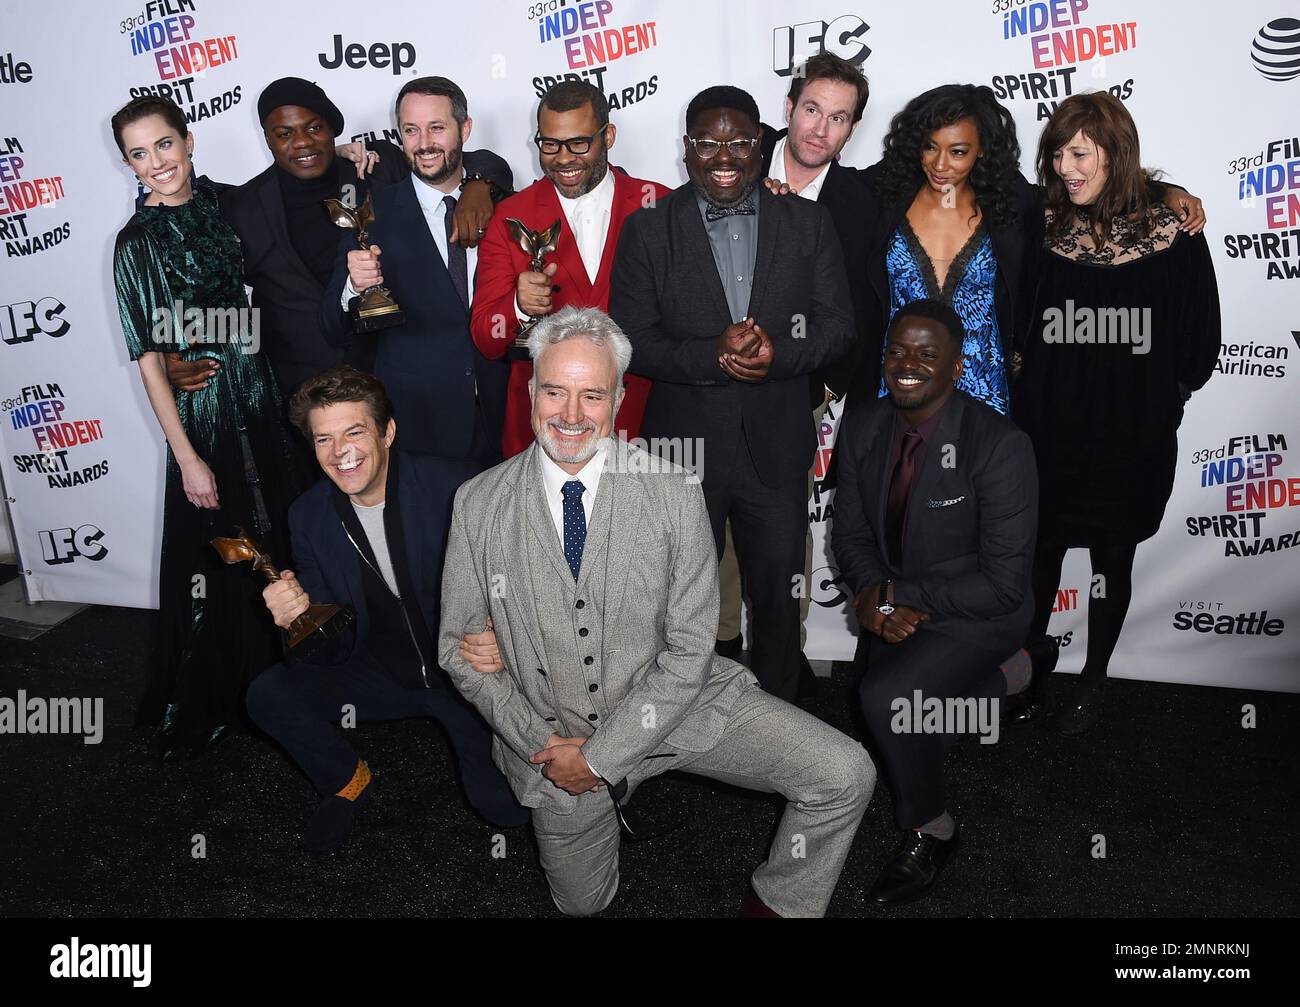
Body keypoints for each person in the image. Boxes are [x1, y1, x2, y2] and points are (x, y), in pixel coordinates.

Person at [439, 306, 874, 917]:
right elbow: (458, 654)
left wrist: (601, 757)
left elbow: (692, 648)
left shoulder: (674, 491)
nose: (569, 415)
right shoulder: (476, 504)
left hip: (677, 711)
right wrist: (551, 749)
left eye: (592, 395)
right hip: (552, 741)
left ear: (619, 402)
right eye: (554, 391)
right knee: (582, 905)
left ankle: (779, 905)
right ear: (531, 391)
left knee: (844, 774)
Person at [609, 85, 856, 703]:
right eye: (708, 143)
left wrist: (779, 357)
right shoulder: (648, 231)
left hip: (774, 448)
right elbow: (632, 340)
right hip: (682, 453)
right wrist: (712, 355)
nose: (725, 155)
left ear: (760, 145)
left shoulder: (807, 222)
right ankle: (683, 718)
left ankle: (779, 722)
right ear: (687, 149)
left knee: (777, 597)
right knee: (683, 603)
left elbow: (837, 327)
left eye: (741, 141)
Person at [247, 366, 526, 855]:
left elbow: (529, 578)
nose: (341, 452)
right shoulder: (308, 516)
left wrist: (505, 636)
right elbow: (324, 651)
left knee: (505, 809)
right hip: (378, 670)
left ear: (387, 431)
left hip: (464, 673)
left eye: (354, 432)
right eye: (324, 439)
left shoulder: (457, 486)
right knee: (269, 694)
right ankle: (346, 779)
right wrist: (297, 621)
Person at [1014, 92, 1221, 736]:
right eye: (1057, 154)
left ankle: (1095, 676)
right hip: (1048, 431)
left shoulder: (1171, 231)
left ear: (1115, 153)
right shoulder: (1041, 225)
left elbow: (1200, 337)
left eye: (1080, 154)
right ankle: (1028, 667)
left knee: (1113, 557)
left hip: (1132, 433)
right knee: (1039, 553)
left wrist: (1162, 399)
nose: (1064, 167)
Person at [110, 96, 302, 759]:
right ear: (128, 164)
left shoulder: (225, 202)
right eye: (139, 153)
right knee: (222, 543)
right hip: (204, 408)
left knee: (274, 522)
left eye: (164, 145)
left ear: (188, 142)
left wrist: (364, 155)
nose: (156, 163)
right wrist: (185, 455)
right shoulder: (135, 242)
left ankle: (285, 675)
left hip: (259, 386)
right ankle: (227, 689)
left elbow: (292, 186)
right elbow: (148, 360)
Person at [831, 298, 1038, 904]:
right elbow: (850, 534)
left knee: (887, 703)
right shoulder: (865, 424)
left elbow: (1003, 584)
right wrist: (873, 593)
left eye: (927, 354)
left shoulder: (999, 446)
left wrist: (898, 595)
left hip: (979, 612)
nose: (907, 364)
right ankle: (1015, 678)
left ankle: (933, 829)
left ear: (956, 366)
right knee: (900, 725)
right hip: (896, 602)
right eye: (897, 350)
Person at [163, 77, 507, 406]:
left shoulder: (378, 168)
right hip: (300, 389)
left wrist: (479, 184)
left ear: (331, 129)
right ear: (267, 138)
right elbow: (212, 284)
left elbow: (450, 159)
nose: (302, 142)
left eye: (314, 128)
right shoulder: (241, 206)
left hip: (393, 379)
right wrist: (177, 347)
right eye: (284, 133)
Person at [470, 80, 670, 458]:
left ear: (608, 136)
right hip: (543, 430)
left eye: (579, 143)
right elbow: (485, 336)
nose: (563, 159)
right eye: (550, 144)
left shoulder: (658, 203)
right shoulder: (510, 216)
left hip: (642, 421)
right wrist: (517, 305)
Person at [322, 76, 511, 466]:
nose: (424, 143)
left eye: (437, 127)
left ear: (465, 129)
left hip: (507, 415)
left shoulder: (506, 206)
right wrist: (353, 289)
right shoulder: (372, 215)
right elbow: (331, 327)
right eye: (411, 130)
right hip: (419, 425)